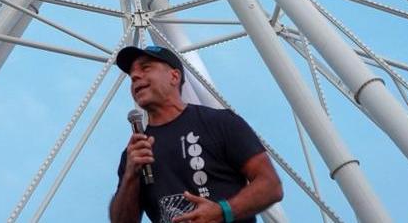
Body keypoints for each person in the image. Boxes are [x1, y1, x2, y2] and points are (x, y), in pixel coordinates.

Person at [109, 45, 283, 223]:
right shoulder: (135, 154)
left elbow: (271, 185)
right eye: (132, 75)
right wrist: (130, 175)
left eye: (146, 68)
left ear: (174, 76)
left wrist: (221, 211)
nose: (135, 76)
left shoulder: (219, 122)